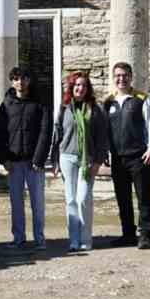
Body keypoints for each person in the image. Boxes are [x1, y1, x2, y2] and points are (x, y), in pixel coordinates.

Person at [52, 71, 109, 253]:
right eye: (77, 85)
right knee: (70, 200)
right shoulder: (64, 108)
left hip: (88, 159)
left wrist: (98, 161)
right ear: (71, 87)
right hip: (67, 157)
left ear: (88, 88)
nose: (80, 88)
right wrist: (54, 161)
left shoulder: (95, 109)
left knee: (83, 198)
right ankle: (74, 240)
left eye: (84, 85)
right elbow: (57, 135)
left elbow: (102, 137)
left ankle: (86, 239)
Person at [105, 62, 150, 249]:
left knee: (143, 196)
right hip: (118, 158)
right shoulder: (108, 102)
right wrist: (106, 151)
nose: (122, 79)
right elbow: (106, 130)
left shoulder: (142, 99)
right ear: (114, 78)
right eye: (118, 75)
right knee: (123, 197)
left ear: (131, 77)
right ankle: (127, 233)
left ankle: (145, 233)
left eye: (125, 75)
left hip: (139, 157)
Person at [0, 66, 51, 250]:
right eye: (16, 79)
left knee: (37, 203)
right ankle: (18, 238)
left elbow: (45, 132)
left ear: (29, 80)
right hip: (14, 162)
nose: (20, 82)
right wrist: (4, 159)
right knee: (16, 203)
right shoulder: (5, 105)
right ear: (12, 82)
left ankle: (39, 239)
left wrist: (39, 159)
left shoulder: (40, 103)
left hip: (34, 162)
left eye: (24, 78)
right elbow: (1, 133)